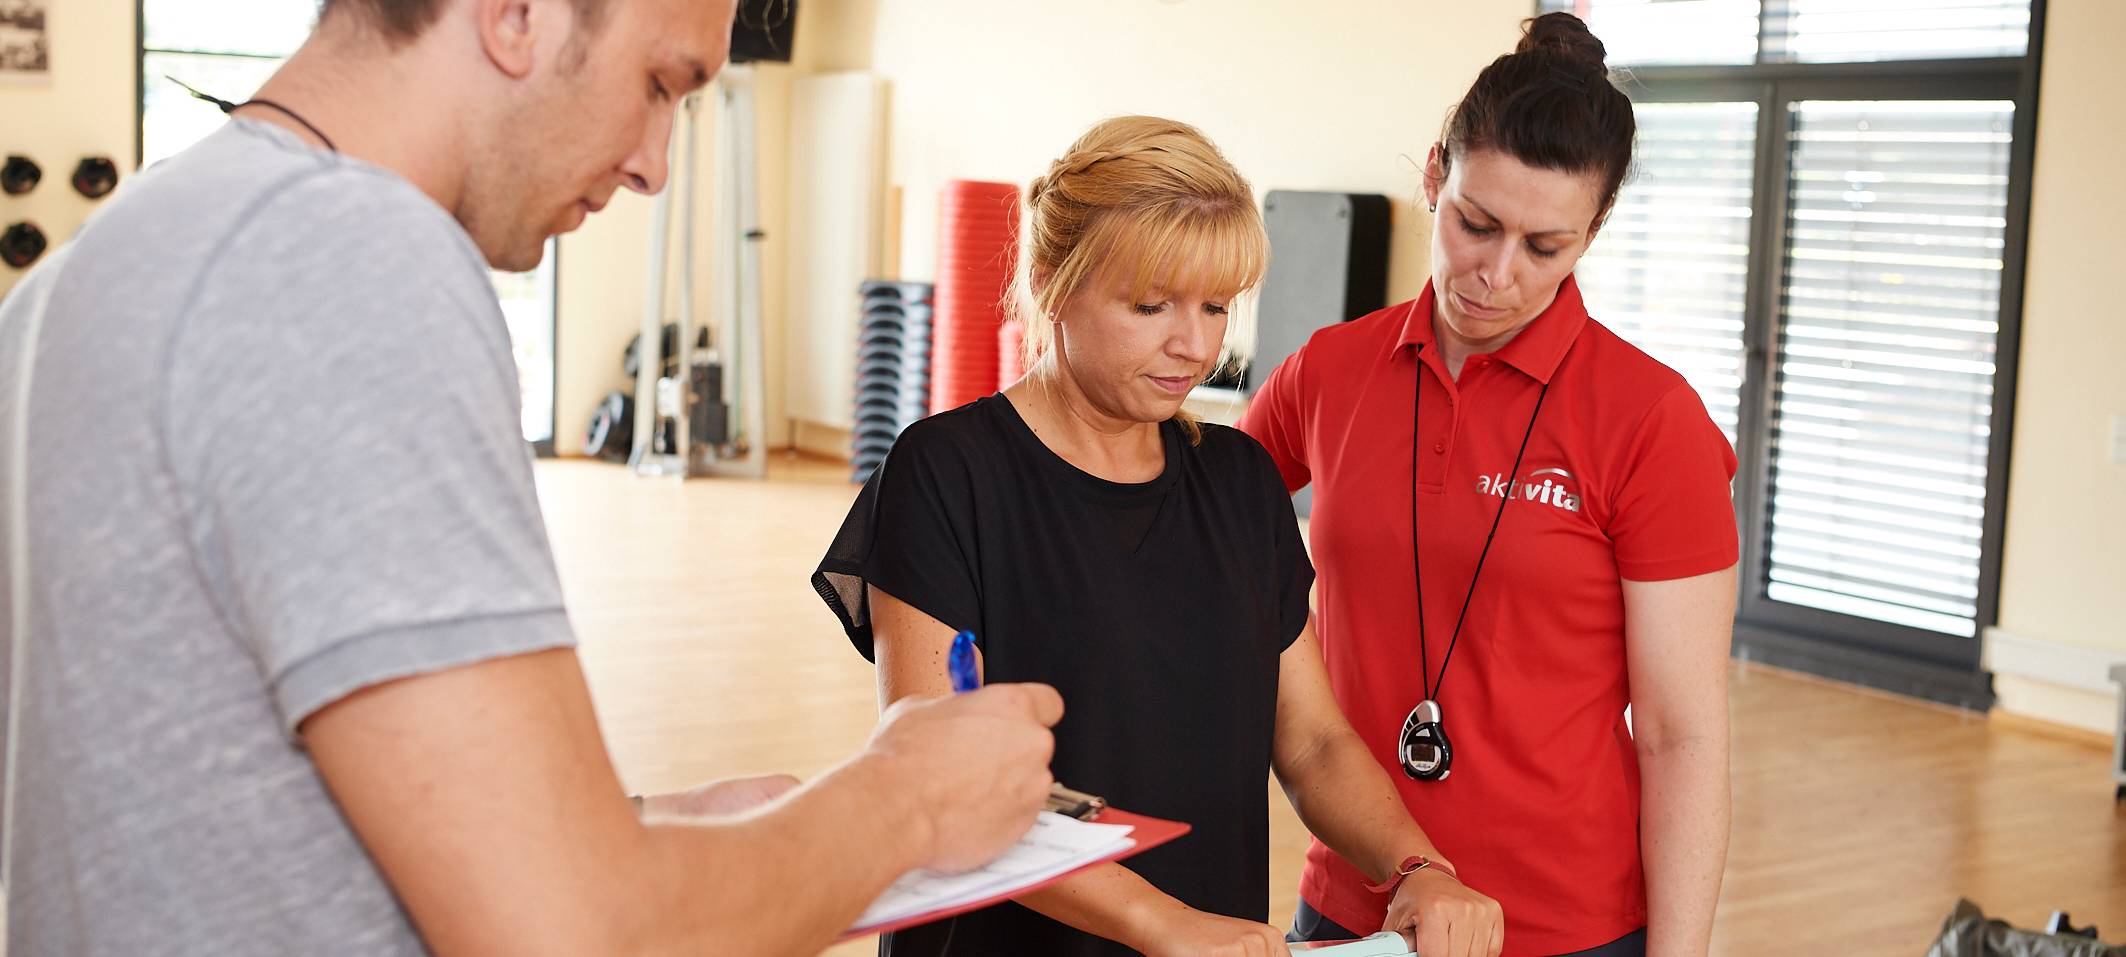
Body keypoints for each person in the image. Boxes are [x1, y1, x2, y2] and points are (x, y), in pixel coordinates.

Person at [0, 1, 1064, 954]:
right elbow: (570, 934)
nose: (655, 163)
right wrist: (903, 800)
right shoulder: (350, 256)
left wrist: (638, 828)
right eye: (658, 84)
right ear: (516, 15)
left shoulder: (86, 276)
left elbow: (201, 811)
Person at [813, 115, 1504, 957]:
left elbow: (1316, 741)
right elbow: (943, 781)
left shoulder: (1242, 482)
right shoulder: (947, 474)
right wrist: (1158, 924)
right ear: (1051, 281)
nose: (1196, 345)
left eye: (1217, 307)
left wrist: (1415, 865)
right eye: (1151, 306)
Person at [1241, 14, 1740, 957]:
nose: (1496, 274)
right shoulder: (1330, 371)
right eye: (1476, 222)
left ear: (1592, 232)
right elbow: (1190, 514)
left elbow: (1682, 737)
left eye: (1545, 247)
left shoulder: (1652, 422)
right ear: (1436, 176)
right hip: (1358, 901)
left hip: (1571, 924)